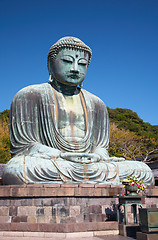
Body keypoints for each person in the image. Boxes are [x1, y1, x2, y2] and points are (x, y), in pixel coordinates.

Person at [2, 37, 154, 185]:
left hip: (92, 165)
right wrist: (61, 155)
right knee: (17, 169)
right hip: (53, 162)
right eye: (67, 61)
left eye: (82, 64)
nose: (75, 69)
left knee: (143, 171)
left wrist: (97, 156)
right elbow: (25, 147)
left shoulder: (96, 103)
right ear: (50, 64)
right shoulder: (29, 95)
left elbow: (101, 147)